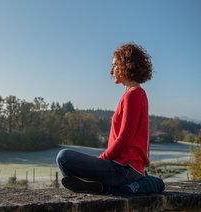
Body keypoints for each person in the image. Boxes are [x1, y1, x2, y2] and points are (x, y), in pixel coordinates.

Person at [56, 42, 153, 194]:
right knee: (67, 162)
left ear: (125, 65)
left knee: (63, 157)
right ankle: (100, 186)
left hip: (124, 169)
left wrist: (101, 160)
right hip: (128, 169)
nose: (110, 71)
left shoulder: (133, 95)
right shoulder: (137, 94)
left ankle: (99, 186)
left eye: (114, 65)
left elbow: (124, 139)